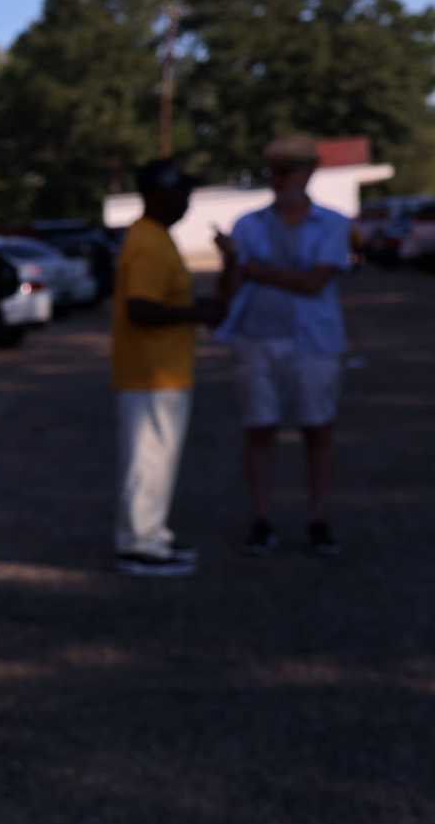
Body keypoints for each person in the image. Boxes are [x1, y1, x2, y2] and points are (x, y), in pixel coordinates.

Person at [214, 134, 353, 557]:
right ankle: (261, 518)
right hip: (257, 337)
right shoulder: (248, 224)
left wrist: (254, 267)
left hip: (315, 341)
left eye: (288, 170)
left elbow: (314, 283)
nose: (279, 179)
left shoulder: (333, 224)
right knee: (260, 428)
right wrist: (231, 263)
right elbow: (230, 289)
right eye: (274, 171)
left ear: (309, 172)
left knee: (317, 428)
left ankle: (317, 517)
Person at [112, 157, 223, 576]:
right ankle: (139, 545)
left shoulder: (156, 236)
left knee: (157, 460)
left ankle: (153, 537)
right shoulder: (147, 241)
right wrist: (195, 314)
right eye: (182, 193)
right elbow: (140, 307)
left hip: (163, 371)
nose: (187, 202)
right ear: (159, 194)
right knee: (147, 461)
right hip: (149, 373)